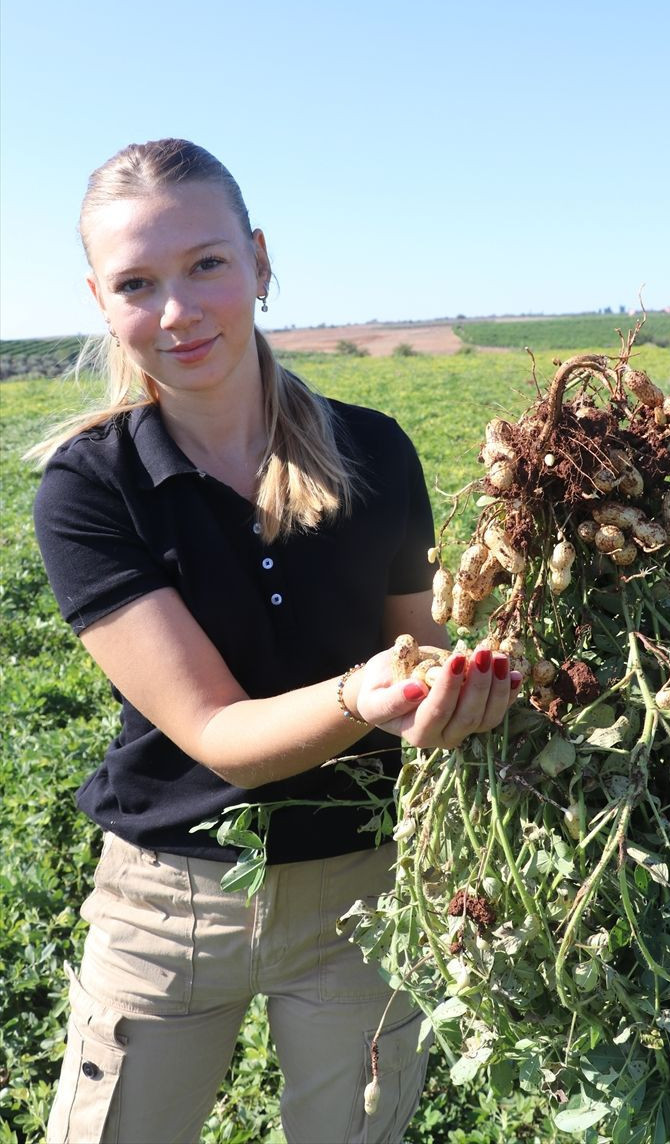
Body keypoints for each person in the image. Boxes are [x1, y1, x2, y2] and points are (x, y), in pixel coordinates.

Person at [31, 138, 523, 1144]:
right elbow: (215, 730)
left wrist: (463, 698)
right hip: (170, 903)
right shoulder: (90, 485)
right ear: (100, 298)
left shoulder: (373, 449)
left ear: (258, 260)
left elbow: (416, 664)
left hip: (364, 891)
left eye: (206, 263)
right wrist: (362, 697)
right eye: (137, 282)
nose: (177, 311)